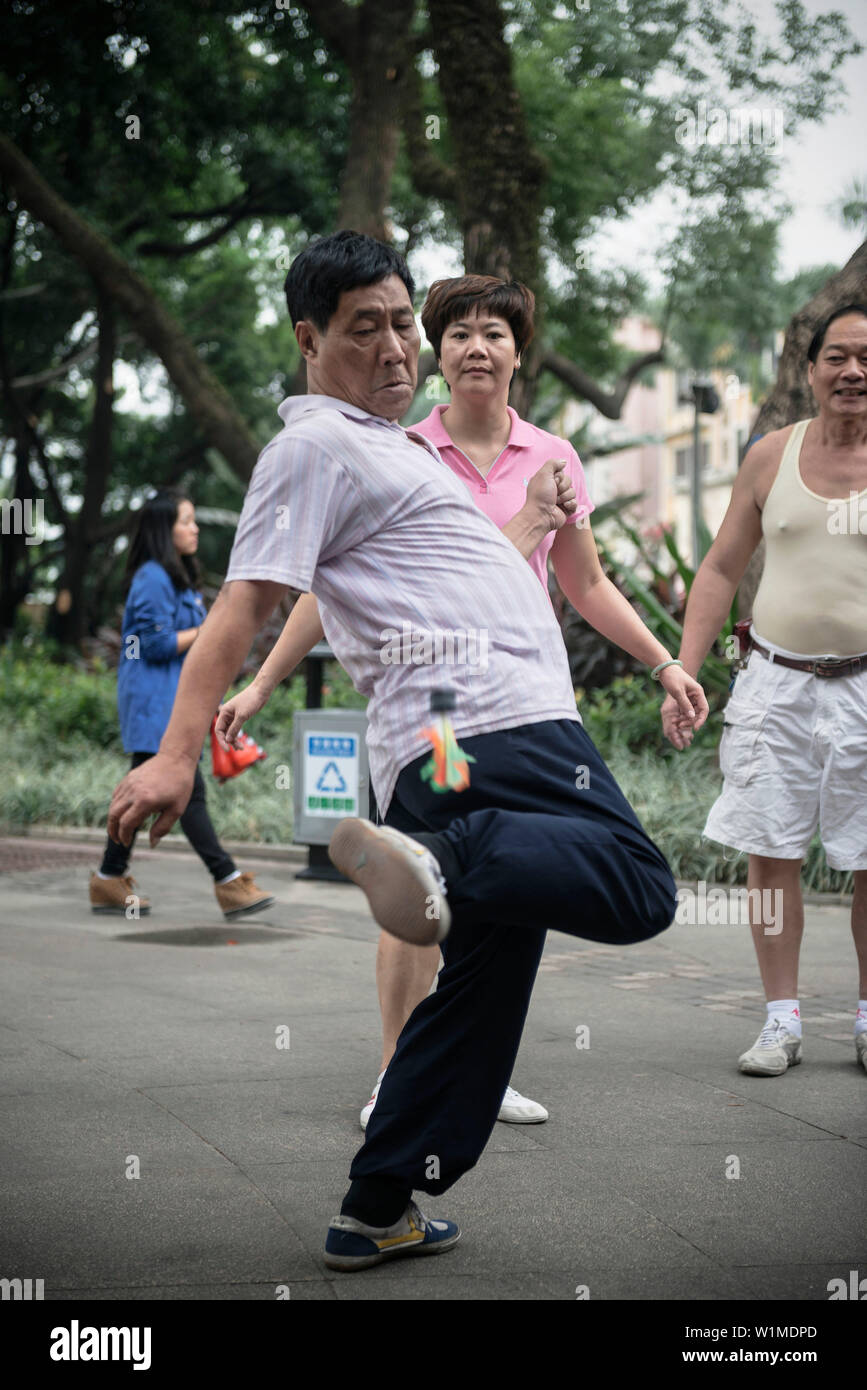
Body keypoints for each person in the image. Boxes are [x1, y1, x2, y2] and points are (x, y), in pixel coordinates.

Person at [108, 231, 706, 1274]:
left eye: (399, 324)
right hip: (499, 726)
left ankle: (377, 1202)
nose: (396, 349)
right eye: (363, 328)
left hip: (440, 751)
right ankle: (453, 861)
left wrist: (541, 544)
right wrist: (175, 753)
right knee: (638, 883)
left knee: (473, 993)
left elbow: (435, 582)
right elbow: (256, 599)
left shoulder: (396, 454)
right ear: (308, 338)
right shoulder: (315, 446)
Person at [218, 272, 712, 1140]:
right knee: (429, 876)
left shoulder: (552, 457)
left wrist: (663, 660)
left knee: (500, 884)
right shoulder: (393, 447)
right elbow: (316, 590)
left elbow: (587, 583)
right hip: (435, 703)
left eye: (494, 333)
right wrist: (260, 681)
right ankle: (394, 1073)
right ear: (436, 354)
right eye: (457, 334)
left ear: (519, 354)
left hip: (523, 699)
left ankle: (466, 1074)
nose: (475, 347)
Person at [661, 304, 867, 1077]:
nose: (852, 372)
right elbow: (718, 568)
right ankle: (780, 1022)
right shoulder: (768, 457)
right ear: (810, 370)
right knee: (769, 851)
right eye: (837, 357)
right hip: (775, 686)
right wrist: (681, 668)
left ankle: (866, 1019)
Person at [90, 489, 274, 921]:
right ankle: (227, 880)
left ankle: (109, 877)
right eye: (186, 521)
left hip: (170, 702)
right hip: (155, 703)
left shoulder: (173, 577)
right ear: (163, 530)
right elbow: (153, 645)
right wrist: (215, 627)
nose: (194, 528)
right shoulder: (152, 577)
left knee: (145, 791)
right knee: (186, 791)